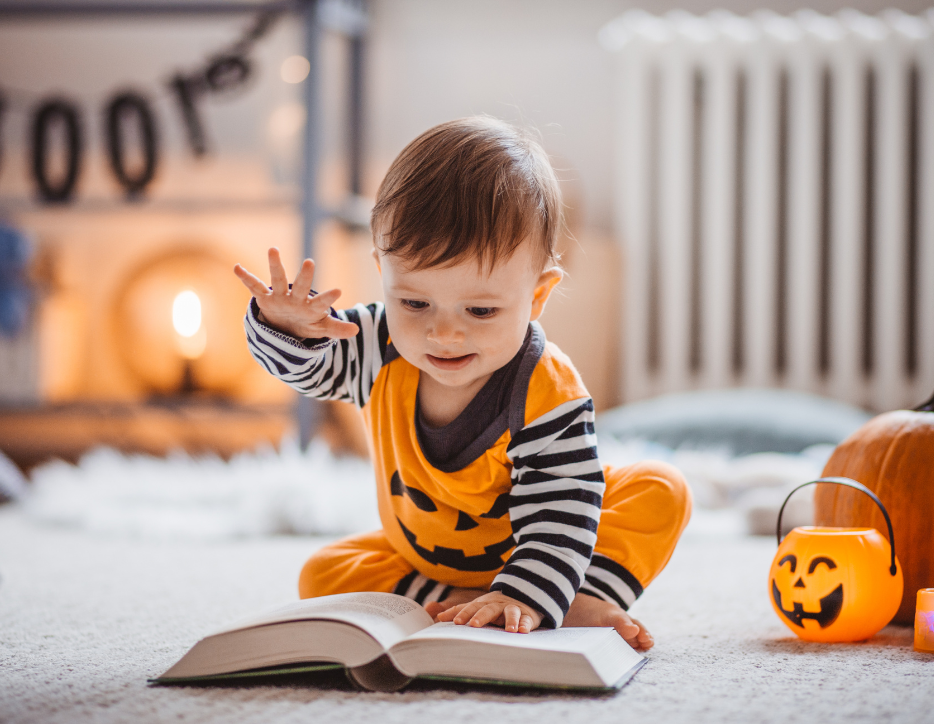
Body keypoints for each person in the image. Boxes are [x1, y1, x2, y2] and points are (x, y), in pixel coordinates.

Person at [234, 116, 691, 649]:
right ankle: (456, 603)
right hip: (423, 558)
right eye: (414, 302)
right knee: (324, 572)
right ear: (382, 270)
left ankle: (568, 598)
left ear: (537, 297)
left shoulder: (546, 388)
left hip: (540, 545)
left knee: (661, 491)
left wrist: (529, 593)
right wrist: (286, 329)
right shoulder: (377, 342)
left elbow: (562, 505)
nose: (443, 331)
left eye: (479, 309)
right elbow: (309, 370)